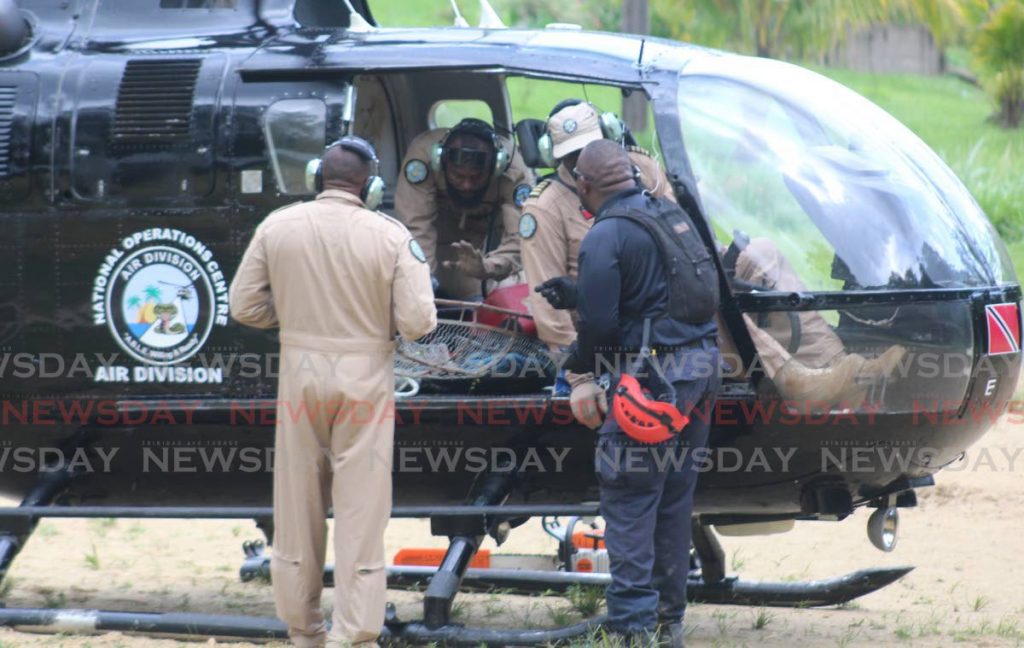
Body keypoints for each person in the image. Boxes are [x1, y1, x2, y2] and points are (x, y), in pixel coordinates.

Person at [229, 136, 437, 647]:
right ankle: (353, 637)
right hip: (365, 377)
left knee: (296, 510)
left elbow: (243, 306)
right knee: (361, 516)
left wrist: (299, 321)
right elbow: (419, 321)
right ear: (371, 187)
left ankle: (304, 632)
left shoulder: (277, 226)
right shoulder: (389, 235)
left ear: (318, 175)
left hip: (300, 372)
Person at [558, 140, 720, 646]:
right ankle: (669, 620)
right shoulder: (665, 212)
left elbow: (602, 332)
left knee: (629, 501)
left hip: (651, 384)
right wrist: (577, 293)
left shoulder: (605, 233)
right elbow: (658, 295)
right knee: (673, 501)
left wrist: (575, 366)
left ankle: (631, 629)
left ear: (584, 185)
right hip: (699, 370)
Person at [521, 100, 675, 351]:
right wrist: (581, 376)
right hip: (604, 339)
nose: (585, 162)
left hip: (667, 317)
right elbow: (549, 309)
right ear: (553, 156)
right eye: (572, 156)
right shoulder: (544, 207)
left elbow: (681, 237)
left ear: (610, 135)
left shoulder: (641, 169)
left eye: (590, 148)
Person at [395, 117, 533, 299]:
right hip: (435, 237)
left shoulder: (514, 170)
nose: (467, 185)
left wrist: (488, 267)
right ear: (440, 163)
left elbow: (521, 239)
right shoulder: (423, 157)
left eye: (476, 177)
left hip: (483, 245)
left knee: (492, 292)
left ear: (496, 168)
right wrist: (423, 284)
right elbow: (415, 226)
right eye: (457, 176)